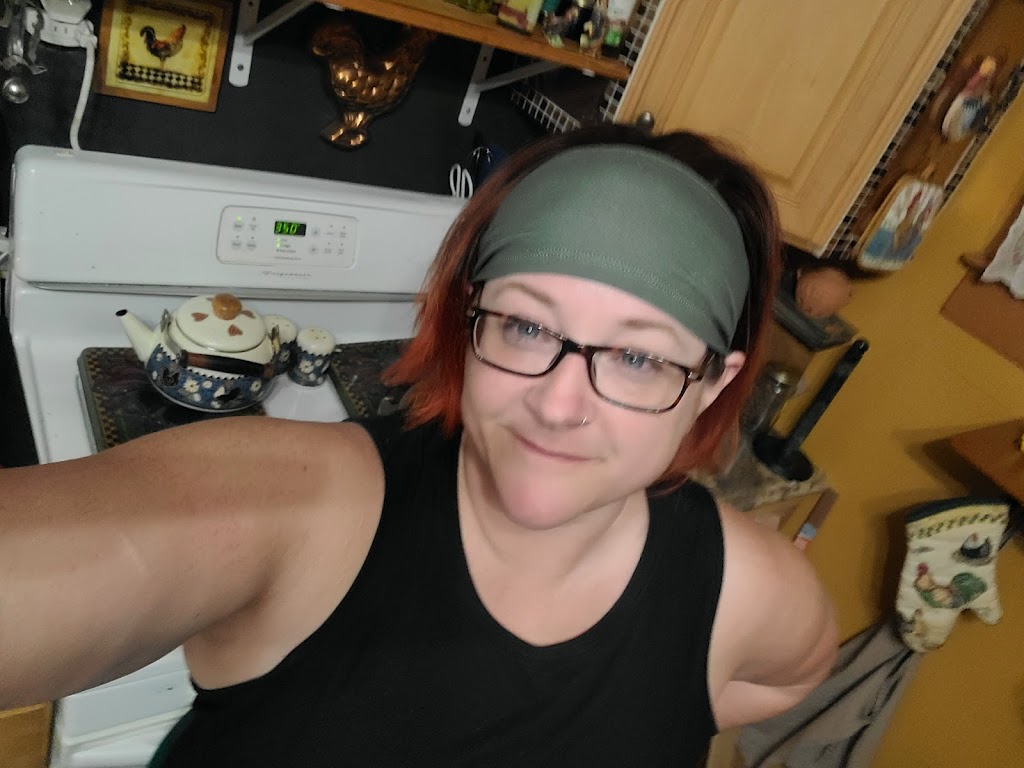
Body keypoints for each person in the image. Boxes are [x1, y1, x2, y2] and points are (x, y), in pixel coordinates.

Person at [0, 124, 838, 767]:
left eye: (638, 357)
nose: (557, 405)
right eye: (525, 326)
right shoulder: (309, 507)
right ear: (468, 319)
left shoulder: (747, 593)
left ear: (713, 384)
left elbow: (793, 673)